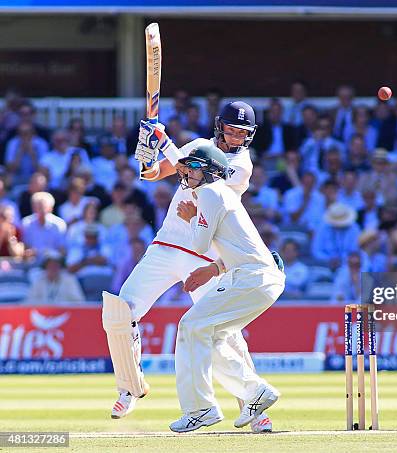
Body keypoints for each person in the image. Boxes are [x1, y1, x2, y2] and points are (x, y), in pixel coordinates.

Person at [101, 101, 275, 433]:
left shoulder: (240, 166)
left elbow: (190, 168)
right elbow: (152, 173)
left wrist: (163, 137)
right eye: (232, 129)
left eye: (243, 133)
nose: (236, 137)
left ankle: (253, 408)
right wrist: (146, 146)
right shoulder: (197, 144)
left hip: (202, 252)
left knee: (222, 332)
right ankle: (130, 386)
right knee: (119, 311)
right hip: (166, 245)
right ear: (219, 125)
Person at [168, 144, 285, 432]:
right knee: (211, 336)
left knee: (191, 325)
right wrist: (213, 269)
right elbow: (235, 247)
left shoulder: (210, 193)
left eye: (193, 168)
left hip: (252, 277)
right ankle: (255, 392)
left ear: (209, 171)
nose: (187, 174)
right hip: (255, 277)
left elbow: (198, 245)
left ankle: (200, 409)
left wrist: (190, 217)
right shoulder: (216, 193)